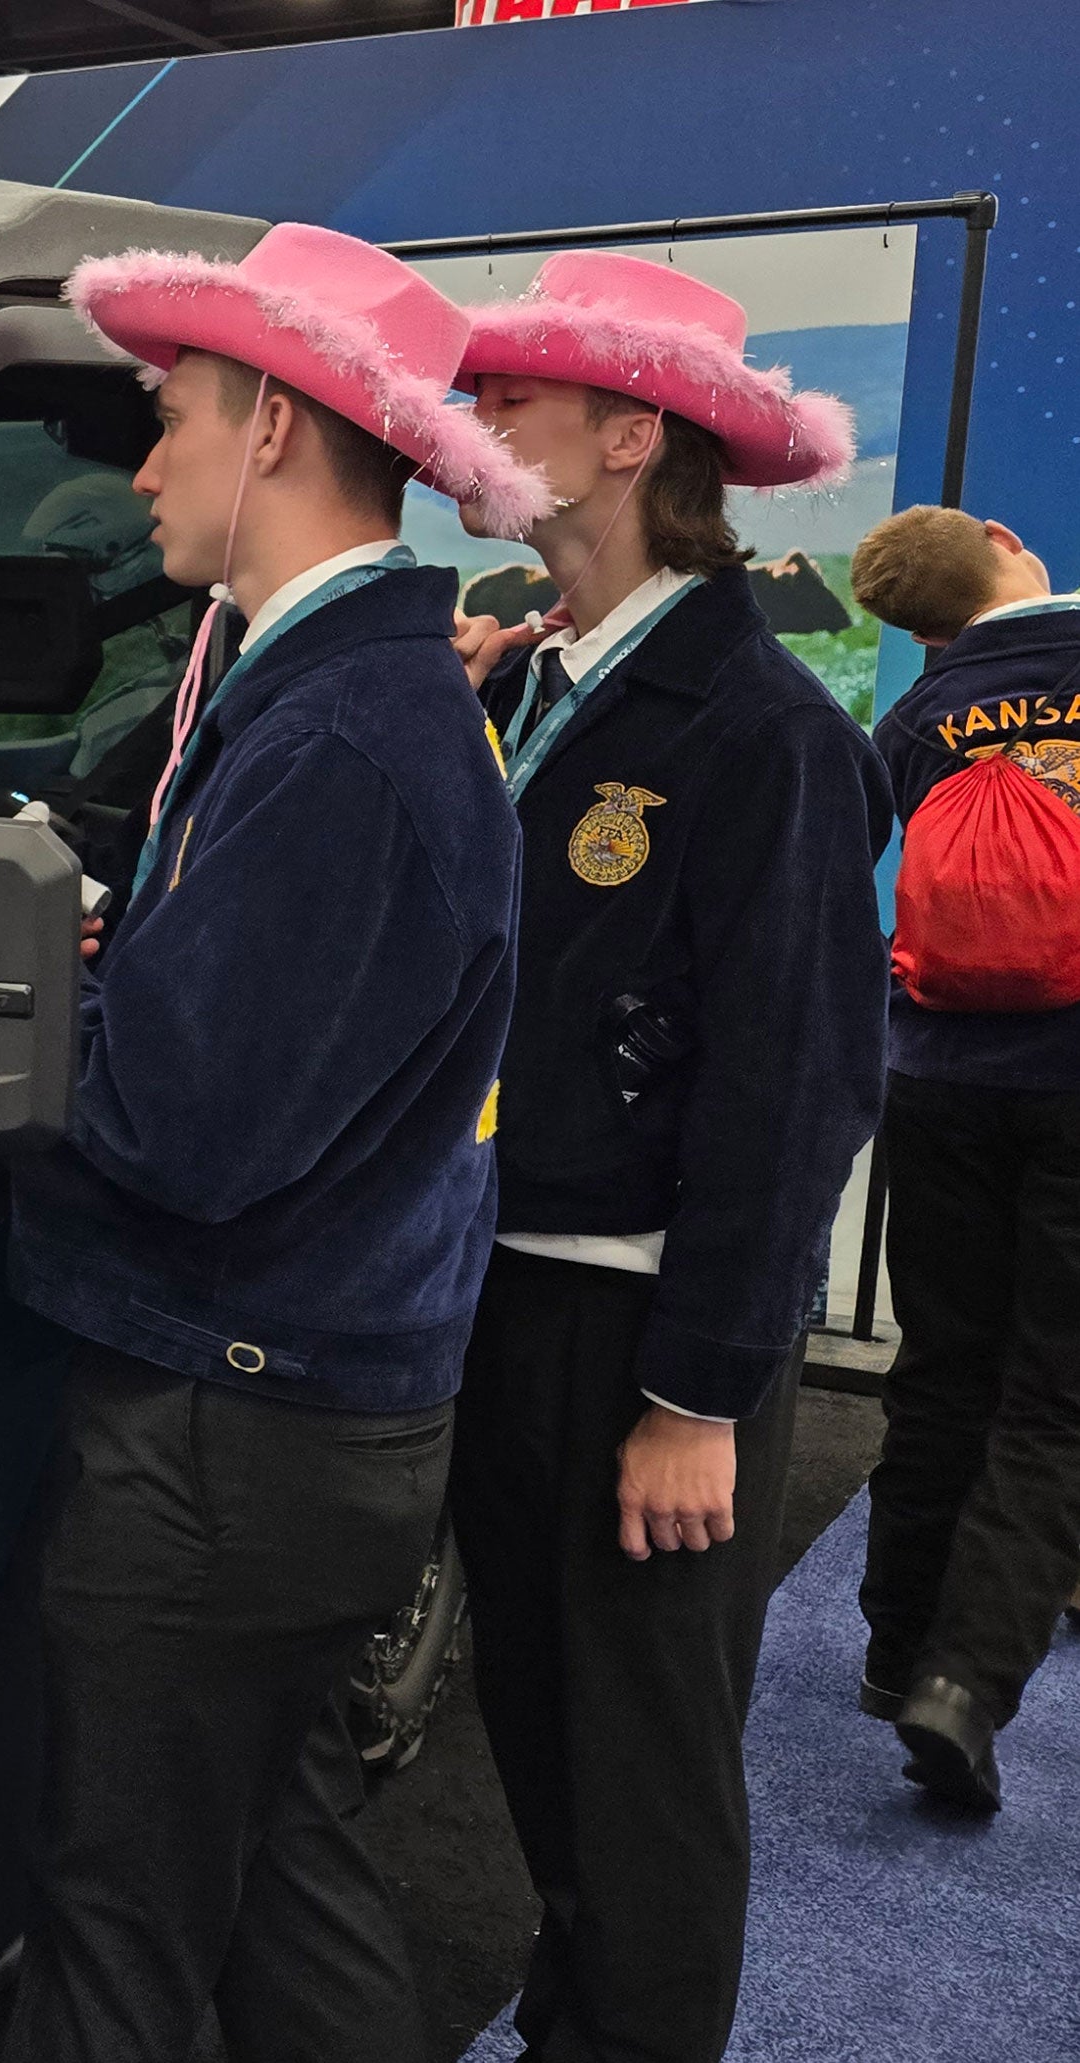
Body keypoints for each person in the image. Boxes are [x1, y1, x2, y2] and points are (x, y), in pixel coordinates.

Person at [1, 224, 547, 2062]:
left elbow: (180, 1129)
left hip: (229, 1425)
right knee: (279, 1867)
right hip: (313, 1412)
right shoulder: (346, 695)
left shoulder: (344, 733)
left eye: (172, 419)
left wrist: (21, 1026)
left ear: (278, 429)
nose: (143, 465)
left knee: (122, 1915)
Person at [447, 251, 890, 2062]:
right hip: (502, 1287)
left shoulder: (766, 729)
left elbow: (798, 1086)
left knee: (642, 1779)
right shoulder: (546, 679)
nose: (472, 434)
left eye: (510, 406)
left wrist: (703, 1390)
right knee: (548, 1739)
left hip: (636, 1338)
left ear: (631, 435)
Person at [846, 502, 1080, 1808]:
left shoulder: (925, 711)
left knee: (939, 1367)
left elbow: (841, 865)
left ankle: (892, 1647)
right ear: (1007, 539)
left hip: (936, 1075)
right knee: (1055, 1399)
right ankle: (965, 1685)